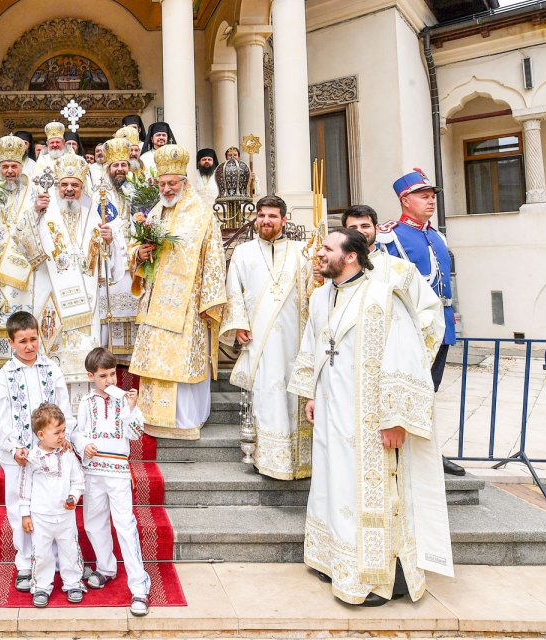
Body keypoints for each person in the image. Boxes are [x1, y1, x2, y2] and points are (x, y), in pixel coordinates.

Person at [289, 228, 452, 606]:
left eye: (327, 249)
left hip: (370, 417)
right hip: (331, 411)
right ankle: (333, 559)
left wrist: (396, 418)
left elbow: (405, 355)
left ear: (350, 256)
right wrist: (312, 392)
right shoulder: (320, 297)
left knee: (372, 493)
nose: (320, 254)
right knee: (332, 485)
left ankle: (378, 579)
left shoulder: (380, 297)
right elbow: (315, 345)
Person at [129, 145, 227, 440]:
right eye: (162, 184)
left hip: (187, 307)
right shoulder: (155, 212)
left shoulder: (202, 215)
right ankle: (151, 416)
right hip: (154, 304)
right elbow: (140, 253)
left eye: (173, 183)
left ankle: (184, 419)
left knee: (181, 362)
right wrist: (140, 255)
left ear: (184, 183)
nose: (167, 188)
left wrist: (209, 300)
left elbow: (214, 258)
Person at [15, 152, 125, 408]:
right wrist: (34, 211)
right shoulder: (43, 211)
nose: (69, 190)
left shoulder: (96, 215)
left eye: (74, 185)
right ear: (57, 186)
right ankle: (51, 410)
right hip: (52, 294)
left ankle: (85, 409)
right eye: (64, 184)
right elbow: (20, 237)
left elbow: (108, 261)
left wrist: (109, 241)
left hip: (87, 300)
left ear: (82, 187)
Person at [221, 196, 315, 479]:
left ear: (284, 219)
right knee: (265, 394)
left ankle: (300, 461)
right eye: (261, 215)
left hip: (296, 340)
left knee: (292, 394)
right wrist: (238, 324)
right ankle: (266, 458)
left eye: (272, 216)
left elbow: (314, 291)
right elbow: (232, 291)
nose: (266, 221)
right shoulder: (243, 252)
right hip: (259, 339)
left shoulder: (303, 252)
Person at [377, 170, 463, 476]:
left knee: (431, 390)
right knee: (405, 388)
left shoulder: (437, 235)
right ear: (405, 199)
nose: (431, 201)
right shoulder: (388, 236)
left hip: (442, 326)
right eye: (423, 196)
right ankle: (400, 451)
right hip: (409, 327)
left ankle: (429, 452)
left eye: (432, 196)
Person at [0, 311, 73, 593]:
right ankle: (25, 563)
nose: (29, 346)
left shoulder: (51, 369)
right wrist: (13, 448)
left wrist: (64, 437)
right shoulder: (4, 376)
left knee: (53, 505)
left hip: (52, 454)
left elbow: (65, 407)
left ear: (40, 337)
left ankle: (57, 561)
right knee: (19, 509)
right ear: (11, 342)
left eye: (33, 339)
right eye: (22, 341)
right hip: (20, 457)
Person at [73, 348, 150, 616]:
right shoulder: (85, 403)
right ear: (91, 376)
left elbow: (136, 433)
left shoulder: (125, 402)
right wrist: (84, 445)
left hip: (118, 471)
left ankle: (139, 586)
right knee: (94, 523)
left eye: (113, 374)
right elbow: (76, 434)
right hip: (93, 472)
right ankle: (106, 567)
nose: (110, 381)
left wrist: (130, 409)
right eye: (103, 376)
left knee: (125, 525)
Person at [343, 204, 446, 360]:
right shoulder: (335, 270)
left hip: (392, 356)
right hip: (346, 356)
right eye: (353, 227)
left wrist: (406, 341)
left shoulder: (402, 270)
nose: (360, 231)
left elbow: (430, 311)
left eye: (365, 226)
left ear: (376, 228)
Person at [0, 136, 40, 373]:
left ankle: (26, 359)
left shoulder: (33, 192)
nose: (10, 171)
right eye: (6, 167)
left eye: (14, 166)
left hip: (23, 265)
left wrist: (40, 211)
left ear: (21, 166)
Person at [23, 402, 86, 607]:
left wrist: (73, 497)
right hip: (40, 516)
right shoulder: (32, 458)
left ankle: (73, 582)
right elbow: (24, 487)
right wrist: (25, 514)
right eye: (57, 432)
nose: (62, 436)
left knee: (69, 549)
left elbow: (78, 481)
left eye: (64, 431)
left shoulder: (68, 454)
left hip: (65, 516)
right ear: (41, 435)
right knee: (41, 553)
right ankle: (41, 586)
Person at [97, 138, 139, 360]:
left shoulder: (137, 192)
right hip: (111, 266)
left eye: (123, 165)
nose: (120, 169)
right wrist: (110, 237)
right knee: (108, 321)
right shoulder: (100, 193)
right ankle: (106, 368)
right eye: (116, 166)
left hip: (135, 265)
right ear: (108, 168)